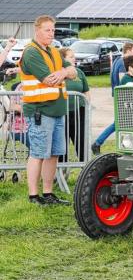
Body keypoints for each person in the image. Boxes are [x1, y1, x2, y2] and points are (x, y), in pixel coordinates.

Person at [20, 15, 77, 205]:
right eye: (47, 30)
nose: (51, 33)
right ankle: (33, 195)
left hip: (57, 109)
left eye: (53, 30)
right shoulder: (31, 52)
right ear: (37, 31)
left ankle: (48, 193)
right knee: (38, 153)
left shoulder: (53, 50)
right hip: (40, 111)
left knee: (54, 153)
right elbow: (48, 79)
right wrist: (64, 73)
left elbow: (74, 71)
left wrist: (63, 72)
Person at [91, 42, 133, 155]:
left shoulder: (117, 60)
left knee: (121, 123)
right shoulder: (123, 62)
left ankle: (126, 146)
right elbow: (123, 81)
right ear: (129, 50)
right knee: (118, 123)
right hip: (123, 98)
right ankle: (97, 143)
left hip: (119, 97)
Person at [58, 48, 90, 162]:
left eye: (74, 56)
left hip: (79, 111)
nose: (74, 59)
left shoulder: (79, 72)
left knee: (81, 141)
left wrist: (87, 105)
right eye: (71, 57)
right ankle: (61, 171)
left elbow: (86, 90)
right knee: (62, 142)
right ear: (63, 59)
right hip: (62, 112)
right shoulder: (58, 72)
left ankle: (85, 167)